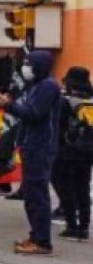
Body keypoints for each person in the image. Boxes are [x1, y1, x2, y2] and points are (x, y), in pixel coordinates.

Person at [0, 51, 60, 255]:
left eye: (29, 64)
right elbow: (24, 109)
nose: (25, 68)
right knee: (31, 194)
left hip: (40, 146)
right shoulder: (35, 86)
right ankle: (36, 236)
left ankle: (42, 241)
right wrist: (7, 103)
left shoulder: (47, 86)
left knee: (37, 195)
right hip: (31, 145)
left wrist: (8, 105)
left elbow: (34, 113)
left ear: (40, 65)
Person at [53, 66, 92, 242]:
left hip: (67, 151)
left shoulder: (65, 101)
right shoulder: (90, 101)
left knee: (67, 188)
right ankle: (84, 227)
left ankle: (72, 225)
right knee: (83, 188)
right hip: (88, 152)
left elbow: (58, 127)